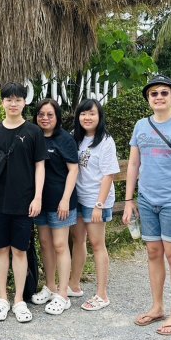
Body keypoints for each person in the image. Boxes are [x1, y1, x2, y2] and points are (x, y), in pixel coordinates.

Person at [123, 74, 171, 336]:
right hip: (147, 199)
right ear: (148, 99)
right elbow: (134, 164)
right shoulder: (141, 126)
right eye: (153, 93)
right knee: (153, 253)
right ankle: (157, 307)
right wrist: (128, 199)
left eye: (163, 93)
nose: (158, 97)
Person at [0, 82, 46, 323]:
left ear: (24, 102)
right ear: (2, 103)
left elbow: (40, 166)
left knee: (20, 250)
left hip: (24, 202)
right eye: (9, 99)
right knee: (0, 250)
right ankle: (2, 298)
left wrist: (38, 197)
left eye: (18, 99)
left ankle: (18, 299)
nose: (13, 103)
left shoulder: (34, 132)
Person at [69, 98, 120, 312]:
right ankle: (73, 285)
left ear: (100, 117)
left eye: (92, 114)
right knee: (77, 240)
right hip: (79, 198)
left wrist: (99, 205)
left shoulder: (106, 141)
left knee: (97, 245)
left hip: (95, 200)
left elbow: (109, 175)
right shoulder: (76, 138)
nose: (87, 118)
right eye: (83, 113)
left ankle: (102, 294)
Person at [30, 99, 79, 315]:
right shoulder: (34, 137)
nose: (45, 118)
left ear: (57, 117)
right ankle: (49, 287)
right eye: (41, 114)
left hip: (61, 202)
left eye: (50, 114)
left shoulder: (65, 139)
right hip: (40, 201)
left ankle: (63, 293)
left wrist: (66, 199)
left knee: (60, 245)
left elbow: (74, 171)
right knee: (45, 243)